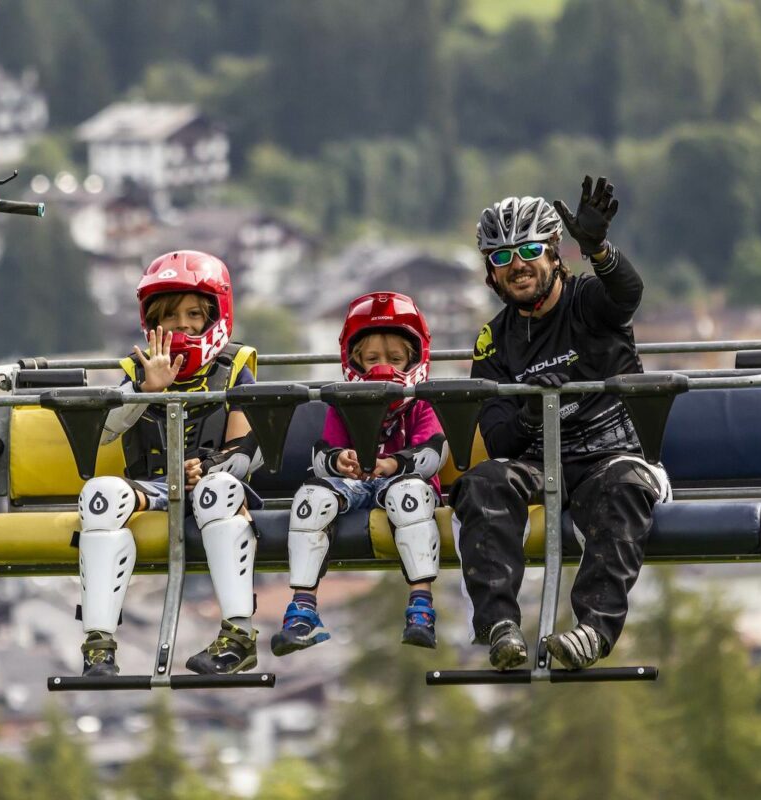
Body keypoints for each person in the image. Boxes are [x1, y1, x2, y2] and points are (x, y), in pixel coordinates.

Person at [451, 176, 670, 671]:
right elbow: (501, 436)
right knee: (482, 483)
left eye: (529, 249)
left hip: (609, 460)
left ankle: (593, 630)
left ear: (554, 255)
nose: (518, 266)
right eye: (502, 258)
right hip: (541, 464)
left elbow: (627, 294)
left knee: (624, 485)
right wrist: (531, 409)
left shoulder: (588, 301)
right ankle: (500, 626)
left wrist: (598, 248)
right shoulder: (493, 340)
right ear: (490, 274)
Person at [76, 250, 265, 677]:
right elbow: (104, 432)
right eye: (171, 315)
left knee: (218, 491)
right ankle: (99, 644)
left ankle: (238, 636)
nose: (182, 325)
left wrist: (209, 468)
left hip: (218, 487)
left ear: (215, 315)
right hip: (155, 486)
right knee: (100, 496)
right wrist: (146, 389)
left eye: (194, 314)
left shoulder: (236, 368)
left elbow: (249, 447)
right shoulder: (136, 371)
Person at [271, 291, 448, 655]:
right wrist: (341, 462)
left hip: (402, 484)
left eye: (395, 359)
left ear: (415, 358)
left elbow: (434, 453)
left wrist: (392, 464)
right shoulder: (342, 404)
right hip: (355, 486)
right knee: (312, 497)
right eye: (372, 360)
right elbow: (322, 456)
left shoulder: (421, 403)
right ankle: (303, 608)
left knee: (408, 496)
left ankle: (421, 607)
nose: (383, 367)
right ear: (354, 361)